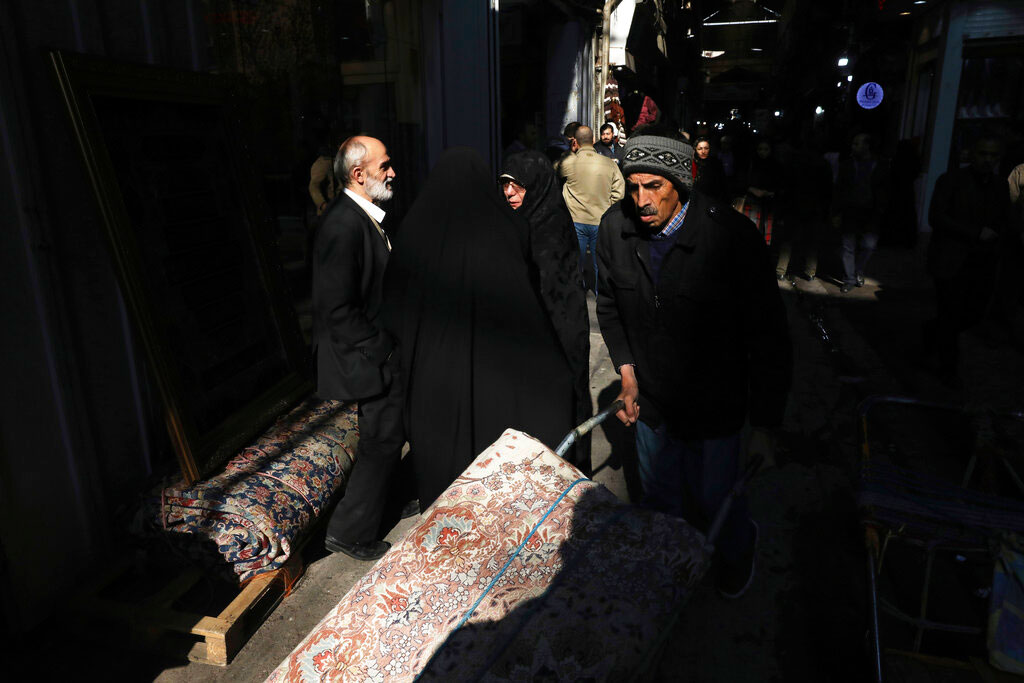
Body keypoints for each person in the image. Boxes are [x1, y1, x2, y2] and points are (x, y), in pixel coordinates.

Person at [596, 127, 792, 599]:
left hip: (715, 403)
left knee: (715, 499)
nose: (641, 199)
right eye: (634, 186)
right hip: (653, 402)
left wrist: (765, 424)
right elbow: (609, 307)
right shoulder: (614, 229)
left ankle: (736, 550)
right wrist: (626, 372)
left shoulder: (731, 236)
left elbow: (768, 336)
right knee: (660, 499)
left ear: (680, 183)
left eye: (655, 186)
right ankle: (670, 568)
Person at [382, 148, 576, 509]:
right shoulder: (506, 227)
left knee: (441, 440)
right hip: (493, 360)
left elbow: (392, 303)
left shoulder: (413, 228)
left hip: (431, 363)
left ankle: (443, 513)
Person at [313, 135, 404, 561]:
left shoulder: (366, 216)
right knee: (381, 440)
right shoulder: (343, 223)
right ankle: (349, 531)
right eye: (384, 165)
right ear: (357, 174)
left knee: (389, 434)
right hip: (366, 358)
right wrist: (381, 349)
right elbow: (336, 307)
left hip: (377, 351)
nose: (392, 172)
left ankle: (379, 507)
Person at [500, 150, 592, 474]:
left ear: (536, 186)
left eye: (518, 186)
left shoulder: (550, 225)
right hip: (533, 341)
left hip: (561, 337)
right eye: (505, 185)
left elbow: (554, 291)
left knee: (566, 414)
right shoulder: (519, 224)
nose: (510, 193)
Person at [926, 136, 1012, 386]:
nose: (988, 160)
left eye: (993, 156)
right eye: (984, 154)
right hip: (951, 260)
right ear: (972, 154)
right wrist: (975, 232)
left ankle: (933, 332)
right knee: (951, 313)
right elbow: (937, 217)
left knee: (972, 314)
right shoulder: (951, 180)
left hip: (982, 261)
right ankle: (948, 368)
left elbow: (1004, 218)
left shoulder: (999, 186)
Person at [558, 125, 626, 293]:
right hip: (600, 220)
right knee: (599, 264)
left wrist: (570, 151)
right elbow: (619, 192)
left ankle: (577, 293)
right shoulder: (609, 164)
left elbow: (557, 170)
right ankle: (599, 293)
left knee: (576, 262)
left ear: (575, 141)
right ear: (593, 140)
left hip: (576, 220)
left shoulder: (569, 162)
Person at [833, 133, 890, 293]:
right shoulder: (848, 165)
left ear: (867, 146)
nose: (853, 147)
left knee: (869, 245)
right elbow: (839, 188)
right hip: (851, 209)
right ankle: (850, 278)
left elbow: (885, 189)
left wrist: (881, 209)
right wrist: (837, 211)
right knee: (848, 246)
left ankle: (856, 271)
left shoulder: (879, 165)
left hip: (871, 212)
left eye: (857, 144)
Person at [773, 135, 832, 282]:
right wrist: (826, 211)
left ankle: (781, 270)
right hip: (814, 207)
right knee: (812, 242)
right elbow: (827, 190)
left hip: (794, 205)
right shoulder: (823, 163)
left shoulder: (793, 161)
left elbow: (785, 186)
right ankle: (810, 272)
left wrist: (782, 208)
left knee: (787, 240)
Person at [741, 139, 781, 244]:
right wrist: (752, 189)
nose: (763, 152)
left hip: (769, 202)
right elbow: (742, 181)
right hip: (752, 200)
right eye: (760, 149)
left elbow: (781, 184)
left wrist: (770, 192)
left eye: (766, 149)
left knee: (768, 231)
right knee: (751, 231)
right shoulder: (751, 163)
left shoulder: (776, 165)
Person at [692, 136, 728, 202]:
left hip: (712, 200)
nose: (703, 151)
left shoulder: (716, 164)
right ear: (695, 150)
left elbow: (722, 185)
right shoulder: (693, 163)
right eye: (700, 149)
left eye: (706, 148)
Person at [309, 143, 341, 216]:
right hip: (330, 211)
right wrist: (323, 205)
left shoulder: (339, 160)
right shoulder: (324, 162)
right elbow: (314, 186)